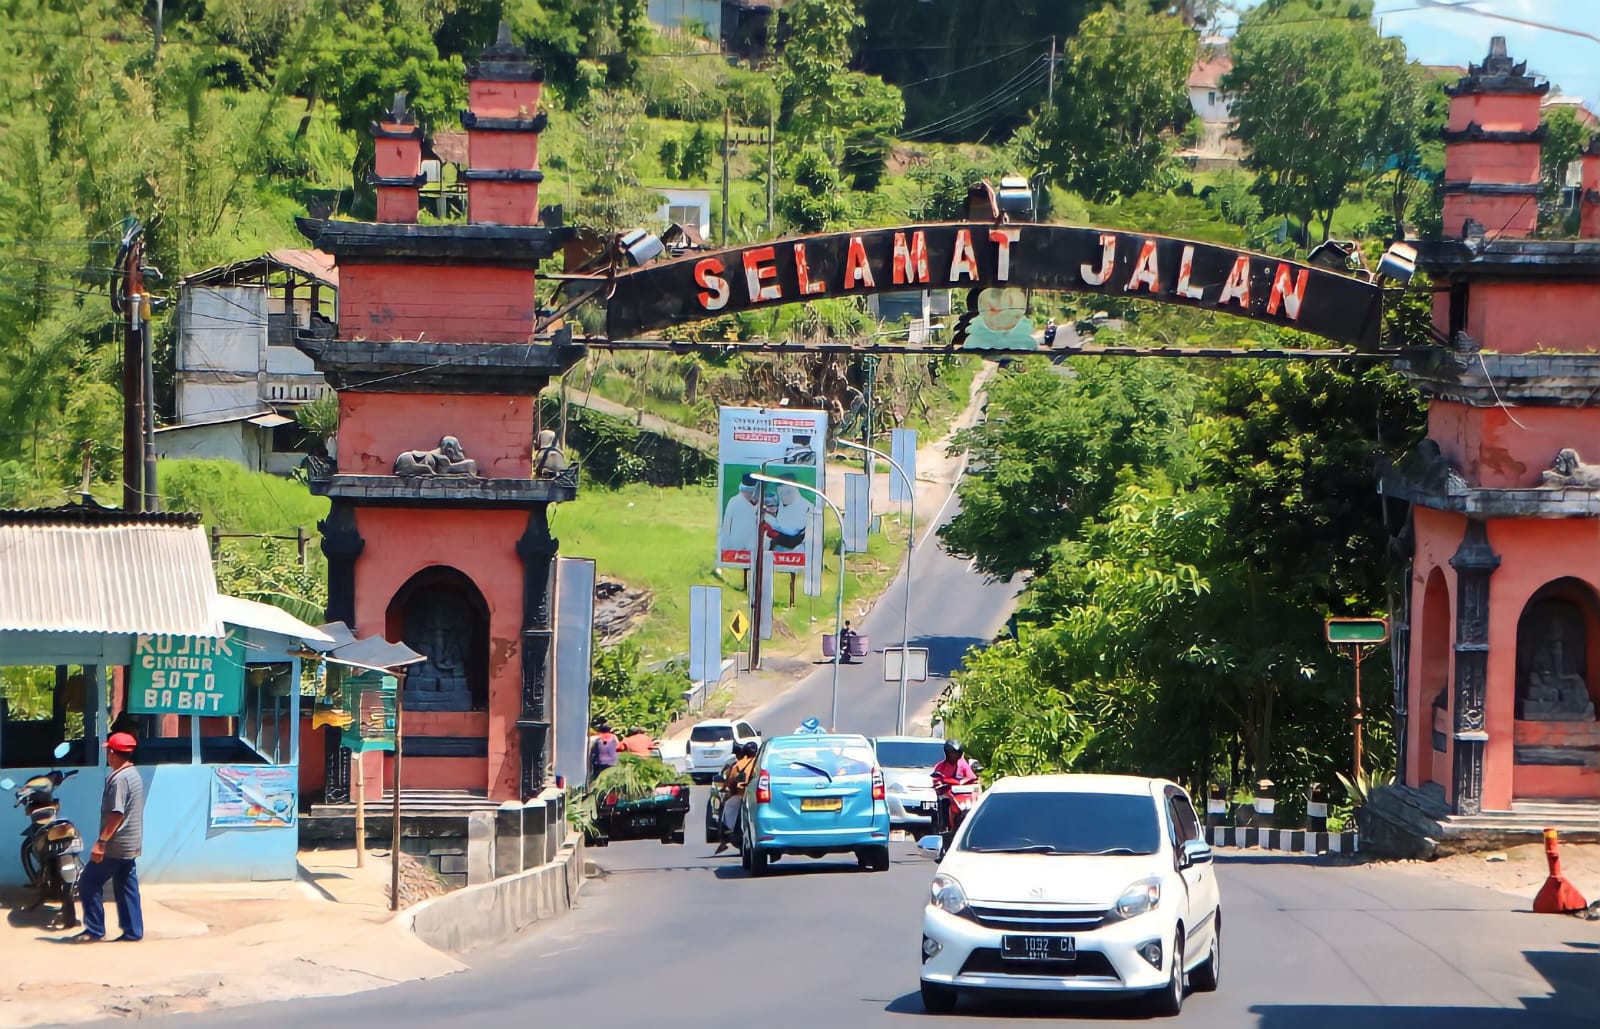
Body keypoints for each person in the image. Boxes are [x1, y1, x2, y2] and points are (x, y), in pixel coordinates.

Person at [73, 732, 145, 943]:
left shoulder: (119, 780)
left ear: (113, 753)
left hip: (116, 845)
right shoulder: (133, 774)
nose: (107, 756)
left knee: (88, 882)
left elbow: (117, 813)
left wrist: (101, 842)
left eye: (108, 752)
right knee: (126, 886)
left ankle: (94, 930)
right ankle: (133, 931)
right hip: (131, 843)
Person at [715, 740, 759, 854]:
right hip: (755, 797)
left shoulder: (738, 765)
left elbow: (730, 780)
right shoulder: (759, 763)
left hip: (739, 795)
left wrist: (725, 788)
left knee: (728, 808)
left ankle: (727, 833)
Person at [931, 740, 978, 841]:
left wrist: (963, 782)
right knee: (943, 802)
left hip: (963, 797)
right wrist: (940, 785)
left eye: (956, 754)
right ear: (947, 753)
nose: (954, 756)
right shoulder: (940, 766)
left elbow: (972, 777)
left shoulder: (963, 764)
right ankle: (943, 829)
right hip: (948, 795)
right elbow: (936, 780)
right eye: (952, 753)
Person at [718, 473, 762, 564]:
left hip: (752, 552)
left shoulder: (755, 505)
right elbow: (726, 529)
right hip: (737, 552)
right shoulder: (735, 502)